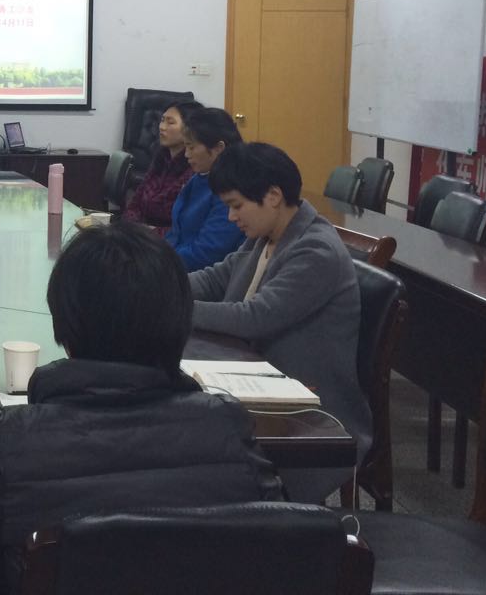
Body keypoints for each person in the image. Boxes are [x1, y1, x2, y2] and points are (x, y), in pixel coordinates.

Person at [0, 221, 281, 594]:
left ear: (65, 330)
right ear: (179, 325)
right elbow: (280, 552)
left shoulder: (6, 442)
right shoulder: (228, 425)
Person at [191, 141, 372, 499]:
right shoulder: (266, 235)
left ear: (273, 196)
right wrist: (156, 284)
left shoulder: (316, 249)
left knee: (193, 447)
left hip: (309, 414)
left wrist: (171, 307)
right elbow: (215, 278)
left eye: (236, 206)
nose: (231, 217)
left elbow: (255, 317)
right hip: (256, 379)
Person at [165, 107, 245, 270]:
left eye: (191, 147)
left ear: (218, 148)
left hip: (200, 272)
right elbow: (176, 234)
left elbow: (207, 253)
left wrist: (158, 262)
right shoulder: (199, 177)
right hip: (177, 263)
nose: (186, 154)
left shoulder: (231, 187)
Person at [122, 100, 202, 232]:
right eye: (162, 120)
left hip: (167, 239)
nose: (162, 127)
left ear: (190, 129)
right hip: (141, 234)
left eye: (170, 122)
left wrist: (147, 233)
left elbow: (186, 228)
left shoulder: (195, 168)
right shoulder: (161, 158)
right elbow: (135, 204)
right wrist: (132, 228)